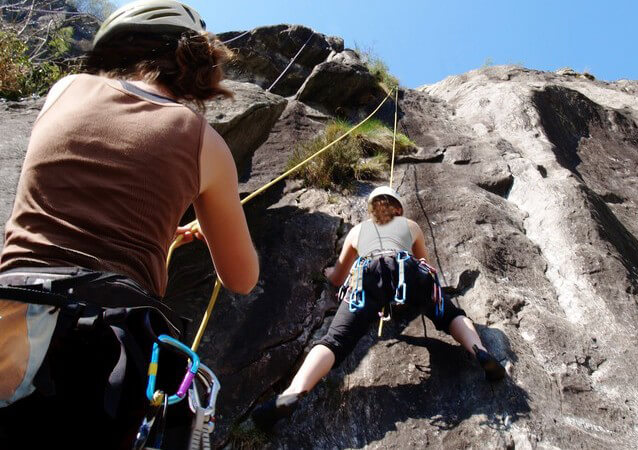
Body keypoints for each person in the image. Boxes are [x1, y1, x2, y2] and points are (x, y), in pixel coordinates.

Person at [0, 1, 258, 447]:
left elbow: (88, 192)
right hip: (108, 348)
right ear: (197, 66)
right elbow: (240, 277)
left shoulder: (65, 90)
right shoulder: (205, 142)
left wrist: (160, 233)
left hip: (12, 312)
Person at [251, 186, 505, 430]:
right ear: (398, 209)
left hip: (369, 274)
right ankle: (479, 351)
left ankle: (293, 392)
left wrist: (329, 272)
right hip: (409, 270)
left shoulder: (358, 231)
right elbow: (424, 264)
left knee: (334, 340)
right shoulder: (411, 226)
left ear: (371, 209)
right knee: (451, 314)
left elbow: (338, 278)